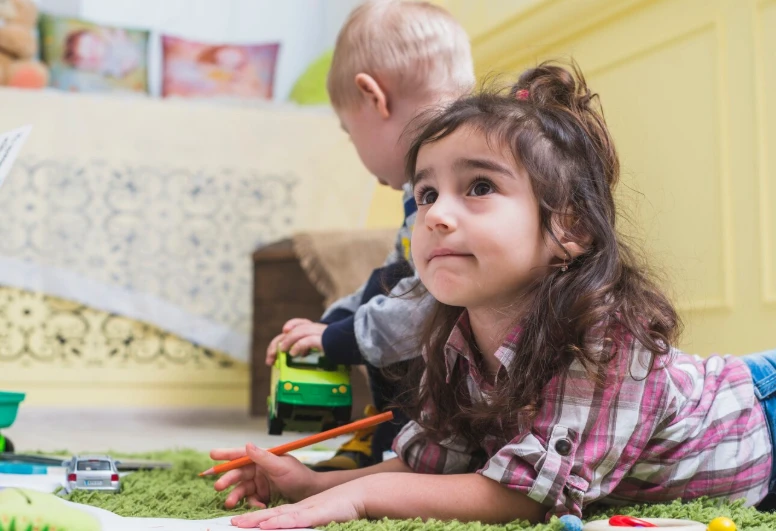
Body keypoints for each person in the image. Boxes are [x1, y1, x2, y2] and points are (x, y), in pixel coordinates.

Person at [217, 62, 776, 527]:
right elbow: (437, 466)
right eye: (428, 192)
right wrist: (317, 482)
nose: (435, 215)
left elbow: (526, 495)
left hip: (760, 418)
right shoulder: (455, 339)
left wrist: (358, 499)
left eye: (479, 187)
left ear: (570, 230)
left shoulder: (603, 337)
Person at [264, 0, 474, 470]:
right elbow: (398, 275)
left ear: (374, 98)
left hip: (485, 371)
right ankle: (386, 434)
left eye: (348, 129)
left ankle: (399, 445)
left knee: (387, 324)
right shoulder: (420, 192)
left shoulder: (450, 196)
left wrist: (339, 337)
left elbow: (426, 304)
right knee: (383, 284)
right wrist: (337, 316)